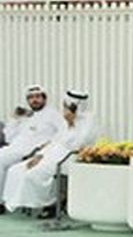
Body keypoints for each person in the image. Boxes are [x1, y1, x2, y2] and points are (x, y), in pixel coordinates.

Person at [1, 89, 98, 217]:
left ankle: (51, 203)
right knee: (16, 170)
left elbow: (79, 143)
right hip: (50, 153)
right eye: (31, 97)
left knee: (33, 175)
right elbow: (55, 140)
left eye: (68, 107)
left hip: (67, 156)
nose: (66, 110)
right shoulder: (32, 116)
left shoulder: (88, 121)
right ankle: (11, 202)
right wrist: (40, 155)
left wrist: (72, 123)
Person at [0, 86, 65, 209]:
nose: (34, 100)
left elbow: (62, 133)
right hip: (13, 148)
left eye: (37, 97)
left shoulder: (52, 114)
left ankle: (2, 202)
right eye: (31, 98)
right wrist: (15, 118)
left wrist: (46, 147)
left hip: (30, 151)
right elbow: (9, 137)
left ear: (44, 99)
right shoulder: (26, 115)